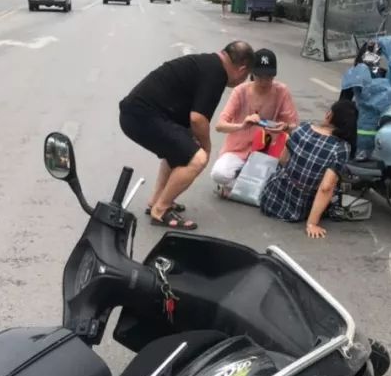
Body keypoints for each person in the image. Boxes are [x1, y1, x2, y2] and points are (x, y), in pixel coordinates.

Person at [119, 41, 254, 230]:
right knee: (197, 159)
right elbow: (198, 119)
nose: (243, 80)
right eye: (247, 76)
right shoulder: (217, 74)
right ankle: (161, 210)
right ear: (241, 69)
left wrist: (193, 140)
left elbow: (192, 121)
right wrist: (206, 147)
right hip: (142, 117)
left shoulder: (208, 63)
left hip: (136, 113)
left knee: (181, 150)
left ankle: (156, 201)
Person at [260, 100, 357, 240]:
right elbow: (326, 188)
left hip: (271, 197)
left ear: (329, 115)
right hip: (297, 207)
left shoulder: (303, 128)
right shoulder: (341, 148)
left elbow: (282, 160)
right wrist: (312, 224)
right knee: (336, 189)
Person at [212, 48, 299, 196]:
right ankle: (251, 187)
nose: (265, 82)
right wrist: (242, 125)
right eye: (260, 77)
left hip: (268, 151)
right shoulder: (240, 91)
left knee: (289, 176)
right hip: (238, 150)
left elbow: (294, 126)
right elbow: (220, 126)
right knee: (219, 174)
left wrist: (284, 127)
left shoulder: (281, 91)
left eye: (269, 77)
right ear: (252, 73)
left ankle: (239, 188)